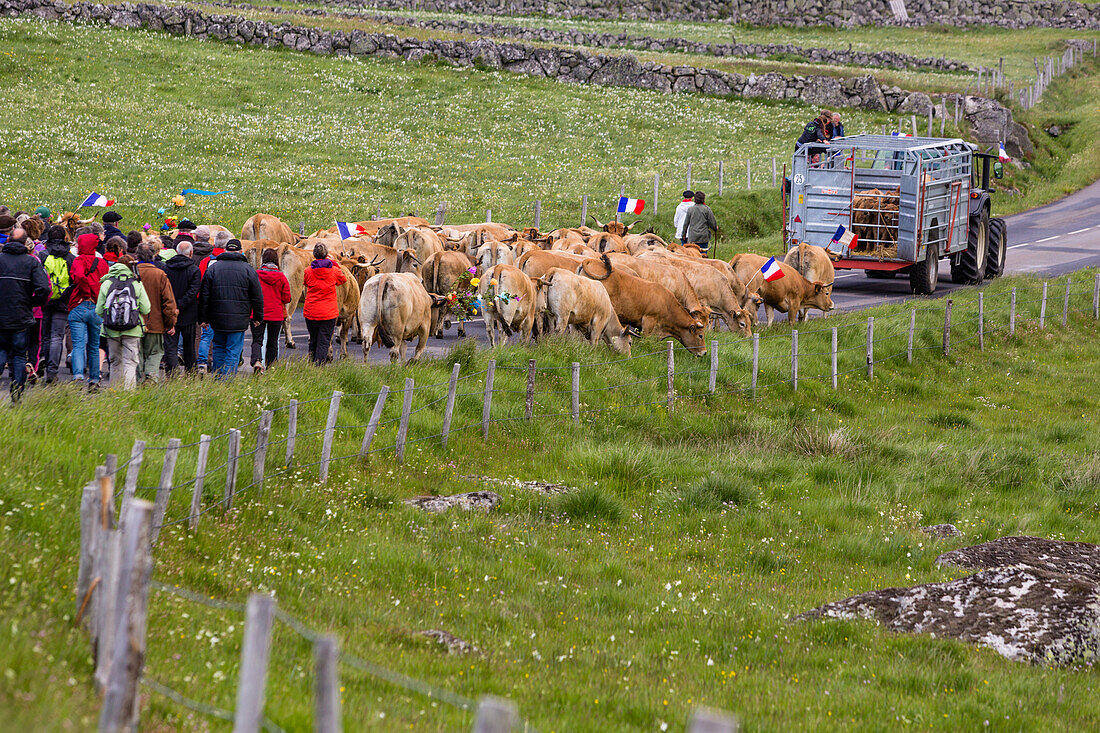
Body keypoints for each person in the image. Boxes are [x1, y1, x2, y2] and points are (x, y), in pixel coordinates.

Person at [199, 239, 262, 378]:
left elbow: (204, 296)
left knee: (219, 348)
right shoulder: (248, 270)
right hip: (238, 320)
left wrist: (203, 318)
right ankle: (227, 380)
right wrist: (258, 317)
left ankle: (218, 378)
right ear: (240, 251)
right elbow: (257, 296)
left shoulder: (213, 269)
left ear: (225, 250)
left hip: (217, 319)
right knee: (233, 350)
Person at [0, 227, 50, 401]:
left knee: (1, 350)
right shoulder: (31, 262)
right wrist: (33, 303)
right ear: (24, 242)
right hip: (22, 315)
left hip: (1, 315)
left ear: (8, 240)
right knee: (20, 355)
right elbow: (44, 288)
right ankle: (17, 395)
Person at [96, 255, 150, 390]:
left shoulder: (107, 283)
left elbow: (99, 310)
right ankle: (128, 393)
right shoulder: (136, 283)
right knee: (130, 362)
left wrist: (111, 317)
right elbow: (146, 308)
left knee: (114, 362)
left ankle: (114, 392)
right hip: (133, 329)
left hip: (111, 330)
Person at [68, 232, 108, 390]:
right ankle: (94, 378)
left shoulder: (78, 261)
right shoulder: (102, 263)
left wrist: (85, 293)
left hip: (79, 304)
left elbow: (78, 277)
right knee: (94, 345)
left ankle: (78, 375)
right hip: (97, 306)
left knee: (78, 344)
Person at [135, 243, 177, 384]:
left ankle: (138, 380)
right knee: (155, 352)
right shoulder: (160, 275)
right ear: (153, 256)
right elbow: (169, 302)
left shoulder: (132, 273)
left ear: (137, 255)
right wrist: (170, 322)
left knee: (137, 354)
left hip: (133, 322)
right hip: (156, 323)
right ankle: (151, 378)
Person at [38, 225, 74, 384]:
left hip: (45, 300)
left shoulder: (43, 255)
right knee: (56, 336)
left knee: (46, 336)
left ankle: (45, 362)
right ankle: (52, 372)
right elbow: (73, 280)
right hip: (63, 301)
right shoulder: (70, 257)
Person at [302, 242, 346, 365]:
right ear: (326, 254)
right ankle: (319, 365)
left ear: (314, 255)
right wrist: (334, 264)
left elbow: (305, 283)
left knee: (313, 339)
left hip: (311, 311)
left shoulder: (308, 271)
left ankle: (311, 362)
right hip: (328, 312)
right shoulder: (334, 271)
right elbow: (343, 279)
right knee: (324, 340)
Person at [164, 241, 201, 374]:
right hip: (188, 314)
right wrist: (180, 305)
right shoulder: (194, 270)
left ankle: (171, 373)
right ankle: (190, 372)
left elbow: (164, 290)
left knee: (170, 346)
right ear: (191, 253)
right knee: (189, 346)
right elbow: (193, 291)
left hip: (169, 311)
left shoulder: (166, 268)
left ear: (177, 252)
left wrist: (173, 306)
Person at [252, 248, 291, 373]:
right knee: (273, 342)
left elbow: (251, 293)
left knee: (257, 340)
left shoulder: (256, 275)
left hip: (258, 313)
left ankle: (258, 361)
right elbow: (287, 298)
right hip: (276, 314)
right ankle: (272, 366)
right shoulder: (281, 277)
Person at [680, 191, 718, 257]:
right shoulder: (707, 209)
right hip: (703, 237)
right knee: (703, 255)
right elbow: (712, 222)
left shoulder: (690, 209)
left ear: (695, 199)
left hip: (692, 237)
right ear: (703, 199)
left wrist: (683, 234)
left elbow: (686, 223)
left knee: (692, 255)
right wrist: (715, 228)